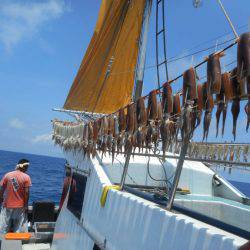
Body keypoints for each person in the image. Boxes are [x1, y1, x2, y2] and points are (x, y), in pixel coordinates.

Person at [0, 159, 32, 233]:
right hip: (20, 206)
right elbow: (26, 192)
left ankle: (2, 242)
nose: (27, 169)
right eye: (27, 167)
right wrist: (26, 205)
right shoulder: (26, 177)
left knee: (4, 226)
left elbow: (2, 188)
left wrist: (1, 198)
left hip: (7, 205)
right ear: (24, 167)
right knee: (18, 227)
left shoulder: (8, 175)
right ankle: (16, 241)